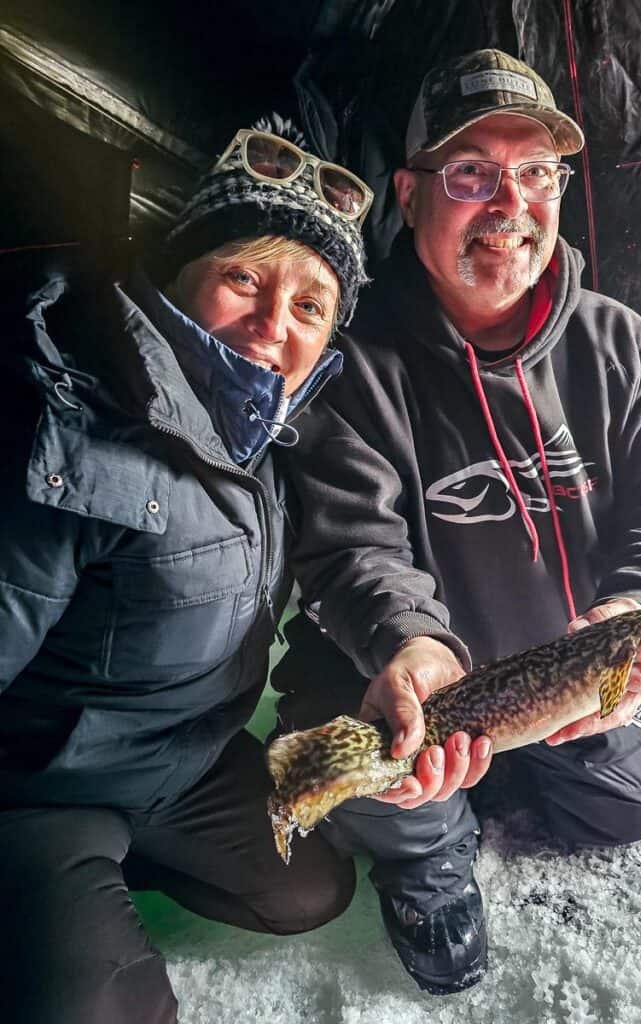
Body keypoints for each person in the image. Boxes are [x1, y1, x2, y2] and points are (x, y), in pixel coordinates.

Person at [271, 50, 641, 996]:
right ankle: (424, 851)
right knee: (391, 787)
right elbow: (350, 547)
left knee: (629, 809)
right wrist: (407, 646)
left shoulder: (620, 344)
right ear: (408, 195)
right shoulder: (351, 361)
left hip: (562, 662)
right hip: (401, 672)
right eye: (471, 174)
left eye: (535, 174)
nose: (508, 204)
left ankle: (501, 775)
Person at [0, 114, 372, 1024]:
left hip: (182, 766)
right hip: (41, 788)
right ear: (178, 280)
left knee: (308, 891)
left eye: (309, 306)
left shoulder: (273, 444)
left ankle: (100, 875)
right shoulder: (68, 427)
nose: (270, 324)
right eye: (243, 278)